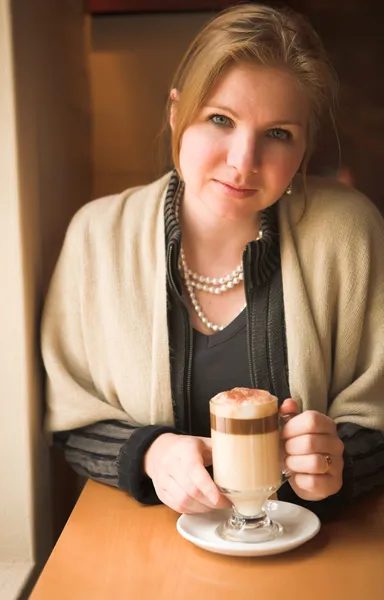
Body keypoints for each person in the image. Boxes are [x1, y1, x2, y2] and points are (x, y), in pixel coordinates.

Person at [41, 3, 384, 521]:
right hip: (140, 546)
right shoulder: (97, 235)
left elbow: (379, 420)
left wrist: (342, 462)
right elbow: (69, 418)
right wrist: (151, 453)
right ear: (177, 112)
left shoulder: (351, 232)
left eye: (278, 133)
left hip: (321, 545)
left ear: (305, 147)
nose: (243, 162)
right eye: (220, 119)